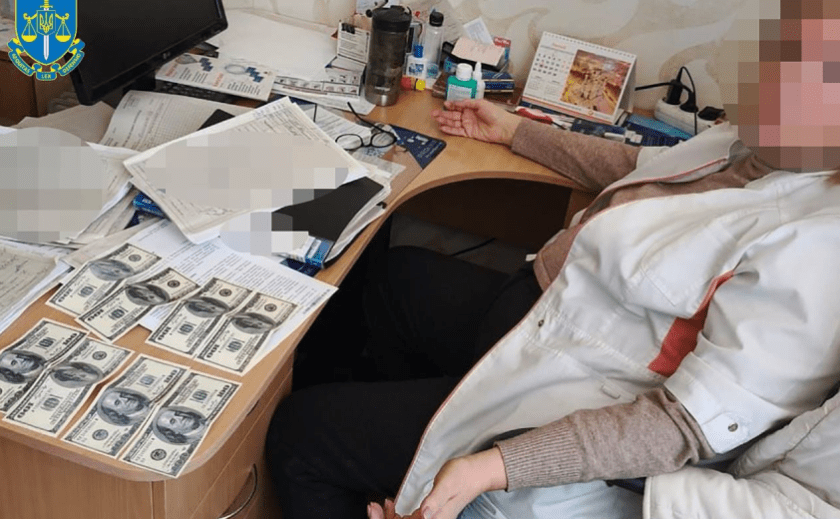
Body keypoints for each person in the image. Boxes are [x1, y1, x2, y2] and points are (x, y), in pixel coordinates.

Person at [266, 2, 840, 518]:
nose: (768, 78)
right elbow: (644, 169)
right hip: (540, 313)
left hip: (566, 398)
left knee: (299, 434)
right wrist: (515, 132)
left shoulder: (817, 250)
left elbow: (680, 428)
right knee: (390, 278)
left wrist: (493, 465)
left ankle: (382, 454)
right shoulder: (756, 149)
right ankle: (393, 455)